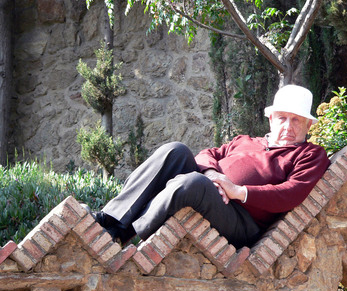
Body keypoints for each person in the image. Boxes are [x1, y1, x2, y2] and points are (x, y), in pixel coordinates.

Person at [87, 85, 330, 249]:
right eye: (282, 118)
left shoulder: (311, 154)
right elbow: (207, 154)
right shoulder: (245, 141)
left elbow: (291, 193)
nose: (288, 126)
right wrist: (215, 175)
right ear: (271, 118)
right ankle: (109, 222)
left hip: (243, 222)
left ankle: (124, 235)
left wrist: (237, 191)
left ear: (308, 124)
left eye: (296, 120)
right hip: (214, 191)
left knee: (192, 183)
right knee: (176, 150)